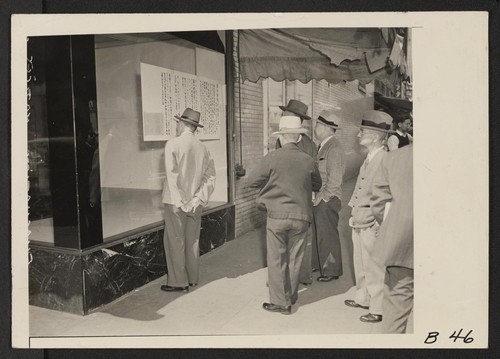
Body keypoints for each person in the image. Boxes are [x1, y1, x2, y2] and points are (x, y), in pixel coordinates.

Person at [247, 115, 322, 314]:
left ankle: (280, 302)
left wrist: (270, 186)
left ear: (280, 137)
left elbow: (251, 182)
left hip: (276, 216)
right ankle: (291, 297)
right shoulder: (308, 160)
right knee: (295, 259)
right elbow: (317, 185)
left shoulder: (271, 158)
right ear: (298, 138)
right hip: (301, 216)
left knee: (276, 258)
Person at [161, 108, 216, 293]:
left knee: (175, 240)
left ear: (183, 124)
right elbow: (210, 178)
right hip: (195, 203)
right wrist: (197, 199)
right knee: (192, 239)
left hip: (175, 202)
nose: (176, 125)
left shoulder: (172, 144)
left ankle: (178, 282)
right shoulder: (203, 148)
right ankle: (192, 278)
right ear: (194, 127)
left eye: (178, 122)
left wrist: (182, 201)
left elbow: (172, 176)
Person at [344, 110, 391, 323]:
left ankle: (378, 308)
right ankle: (362, 297)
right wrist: (353, 211)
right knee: (360, 262)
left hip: (371, 221)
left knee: (373, 265)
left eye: (362, 132)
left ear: (374, 136)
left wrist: (376, 223)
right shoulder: (370, 157)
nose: (358, 135)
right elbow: (359, 187)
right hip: (360, 218)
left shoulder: (384, 159)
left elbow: (387, 196)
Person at [371, 144, 414, 333]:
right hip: (448, 246)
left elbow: (379, 202)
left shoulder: (393, 157)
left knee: (395, 311)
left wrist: (394, 227)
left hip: (402, 244)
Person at [275, 99, 318, 285]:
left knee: (295, 241)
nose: (283, 117)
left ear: (296, 119)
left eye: (286, 114)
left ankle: (295, 277)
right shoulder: (307, 143)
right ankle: (296, 277)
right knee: (295, 239)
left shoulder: (297, 143)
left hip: (294, 197)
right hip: (296, 196)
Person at [311, 109, 345, 282]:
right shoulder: (324, 145)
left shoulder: (334, 148)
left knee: (328, 235)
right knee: (320, 234)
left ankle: (331, 270)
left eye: (317, 125)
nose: (315, 128)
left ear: (325, 127)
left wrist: (322, 198)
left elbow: (335, 180)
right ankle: (320, 264)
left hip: (328, 199)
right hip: (321, 199)